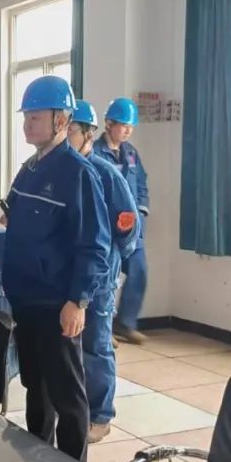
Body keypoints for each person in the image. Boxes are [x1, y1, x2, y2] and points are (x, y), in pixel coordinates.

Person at [1, 76, 111, 462]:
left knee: (67, 394)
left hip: (57, 303)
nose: (27, 125)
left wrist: (77, 301)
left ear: (61, 121)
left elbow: (94, 245)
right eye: (26, 117)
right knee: (36, 387)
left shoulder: (78, 174)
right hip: (26, 300)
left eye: (35, 118)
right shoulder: (30, 169)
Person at [68, 101, 139, 444]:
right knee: (69, 345)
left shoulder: (104, 173)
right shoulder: (59, 170)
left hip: (98, 276)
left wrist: (111, 262)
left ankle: (100, 415)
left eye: (70, 129)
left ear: (88, 133)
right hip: (67, 275)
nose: (63, 135)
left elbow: (127, 224)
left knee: (95, 344)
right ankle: (74, 407)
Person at [93, 97, 149, 345]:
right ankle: (103, 329)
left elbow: (142, 185)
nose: (127, 131)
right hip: (107, 229)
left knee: (139, 272)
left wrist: (142, 212)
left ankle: (126, 323)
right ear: (109, 124)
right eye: (123, 125)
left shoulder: (131, 153)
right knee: (106, 280)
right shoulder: (95, 153)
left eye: (130, 127)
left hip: (132, 228)